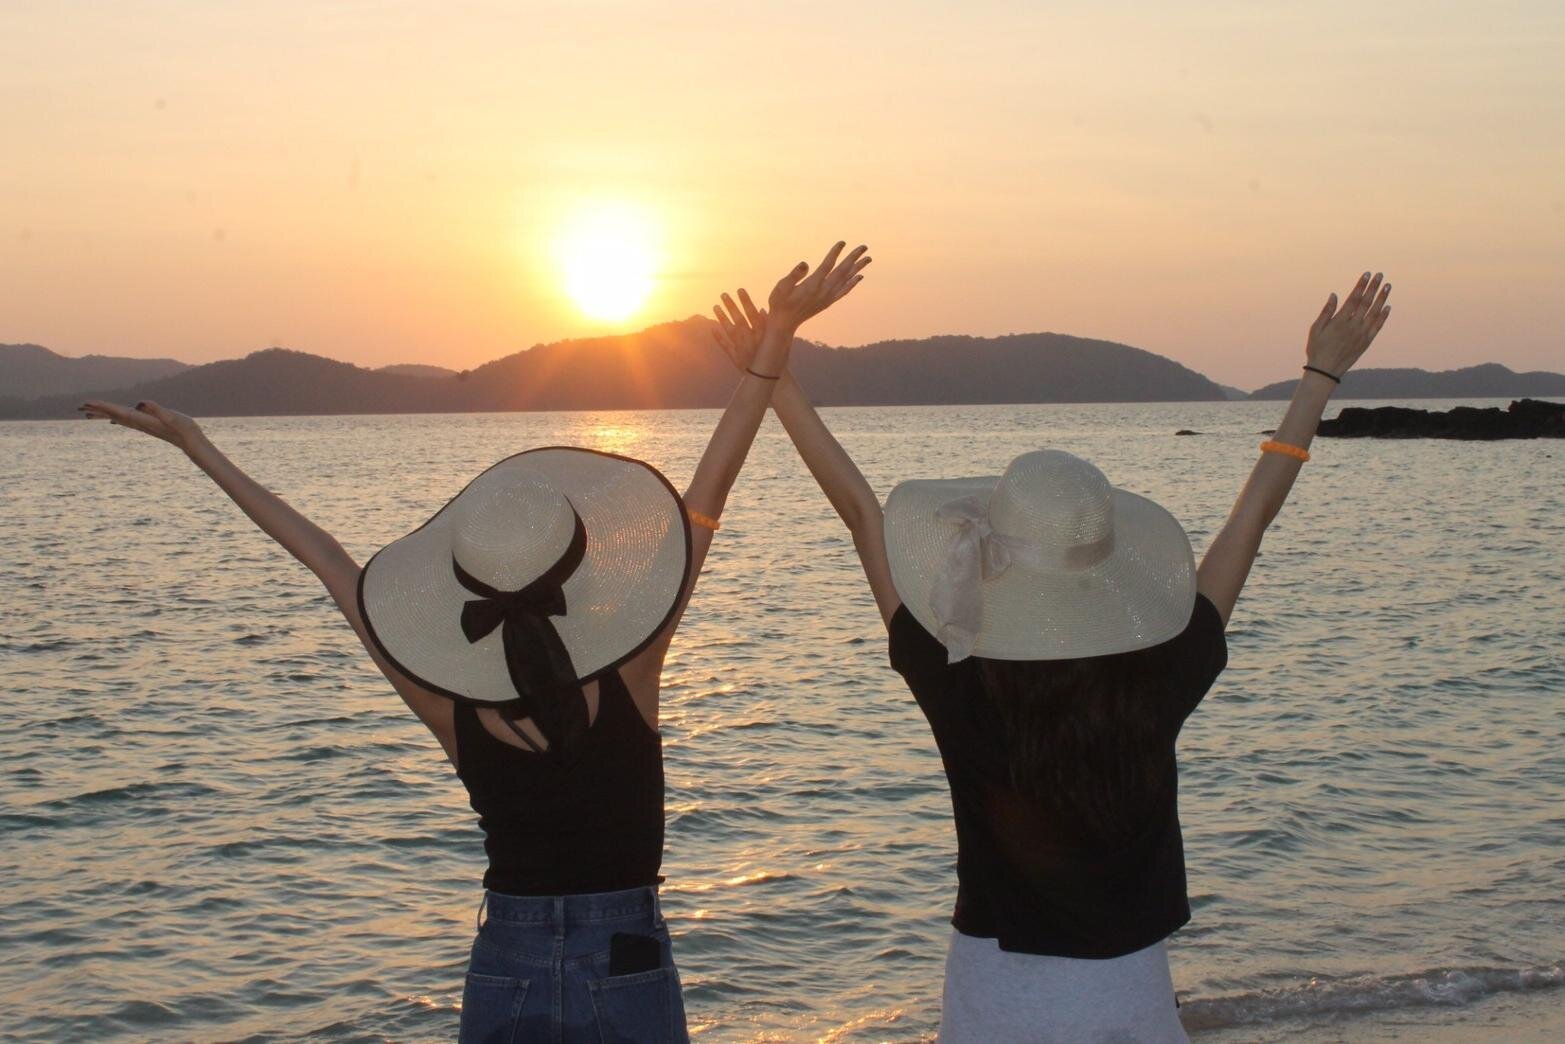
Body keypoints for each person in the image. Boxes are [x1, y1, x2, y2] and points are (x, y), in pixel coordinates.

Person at [77, 240, 871, 1044]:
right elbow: (708, 493)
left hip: (505, 960)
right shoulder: (633, 666)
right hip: (622, 954)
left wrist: (199, 448)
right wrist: (773, 343)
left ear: (469, 588)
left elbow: (324, 558)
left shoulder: (447, 704)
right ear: (576, 572)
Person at [712, 272, 1392, 1041]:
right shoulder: (1161, 666)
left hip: (995, 993)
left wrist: (775, 372)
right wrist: (1319, 375)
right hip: (1131, 997)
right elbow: (1251, 517)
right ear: (1106, 563)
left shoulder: (956, 668)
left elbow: (862, 514)